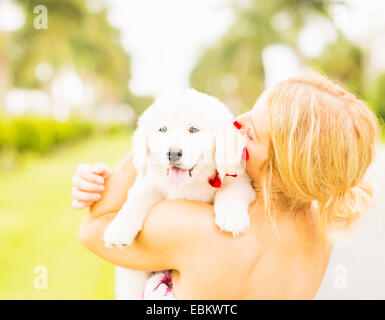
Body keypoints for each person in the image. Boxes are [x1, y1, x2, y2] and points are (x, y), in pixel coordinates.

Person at [72, 71, 379, 299]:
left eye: (252, 132)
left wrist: (157, 131)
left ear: (283, 167)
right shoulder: (318, 233)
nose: (235, 125)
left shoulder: (190, 227)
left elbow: (95, 229)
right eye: (248, 112)